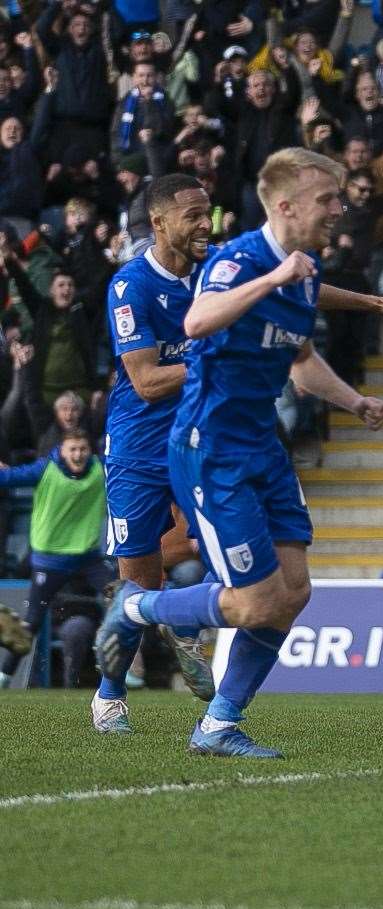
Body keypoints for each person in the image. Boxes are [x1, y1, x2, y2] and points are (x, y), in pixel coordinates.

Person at [94, 148, 383, 759]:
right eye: (328, 199)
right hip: (206, 446)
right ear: (287, 205)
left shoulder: (299, 269)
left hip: (260, 447)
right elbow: (195, 326)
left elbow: (300, 357)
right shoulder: (232, 264)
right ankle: (136, 615)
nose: (340, 208)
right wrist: (271, 283)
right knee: (248, 600)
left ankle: (219, 723)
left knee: (295, 591)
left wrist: (354, 399)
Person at [96, 173, 219, 731]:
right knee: (137, 583)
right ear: (160, 222)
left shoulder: (217, 269)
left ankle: (181, 617)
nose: (205, 224)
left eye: (208, 212)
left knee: (224, 543)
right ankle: (110, 692)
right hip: (137, 446)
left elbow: (288, 282)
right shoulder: (130, 286)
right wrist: (214, 359)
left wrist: (374, 301)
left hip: (195, 437)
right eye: (194, 214)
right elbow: (145, 382)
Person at [0, 431, 111, 691]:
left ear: (90, 451)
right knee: (31, 624)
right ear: (62, 451)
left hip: (87, 557)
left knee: (120, 600)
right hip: (50, 560)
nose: (78, 454)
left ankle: (121, 669)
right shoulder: (44, 470)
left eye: (83, 449)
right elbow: (10, 478)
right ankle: (4, 677)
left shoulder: (100, 469)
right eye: (72, 449)